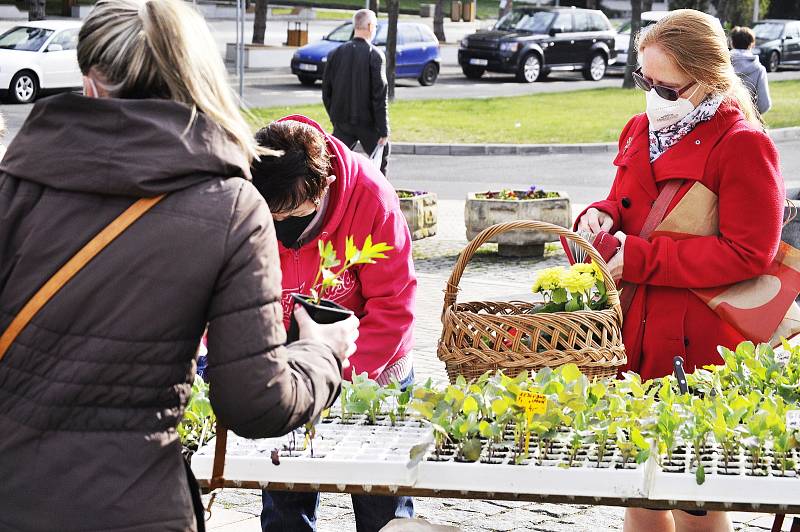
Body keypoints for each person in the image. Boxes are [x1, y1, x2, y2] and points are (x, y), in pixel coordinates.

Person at [0, 0, 358, 530]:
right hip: (137, 506)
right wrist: (322, 352)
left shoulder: (13, 185)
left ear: (92, 84)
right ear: (194, 77)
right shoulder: (233, 208)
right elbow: (255, 403)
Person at [575, 10, 784, 532]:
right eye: (644, 80)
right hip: (633, 333)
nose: (652, 97)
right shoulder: (640, 127)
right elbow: (633, 204)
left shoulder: (741, 142)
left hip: (698, 344)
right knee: (639, 490)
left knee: (697, 496)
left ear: (707, 79)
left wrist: (641, 259)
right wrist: (599, 214)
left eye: (665, 87)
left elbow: (750, 253)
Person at [250, 116, 417, 532]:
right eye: (266, 215)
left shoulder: (372, 200)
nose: (276, 226)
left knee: (383, 506)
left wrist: (333, 377)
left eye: (287, 215)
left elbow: (393, 310)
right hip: (292, 372)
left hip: (371, 370)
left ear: (322, 188)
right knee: (285, 503)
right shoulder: (251, 193)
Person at [322, 8, 390, 176]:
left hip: (342, 123)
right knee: (381, 161)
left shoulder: (335, 53)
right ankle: (379, 200)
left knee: (335, 165)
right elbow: (379, 96)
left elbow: (326, 91)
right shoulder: (375, 55)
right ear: (369, 26)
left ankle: (337, 199)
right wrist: (384, 130)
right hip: (368, 124)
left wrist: (335, 118)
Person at [730, 25, 772, 114]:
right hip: (747, 119)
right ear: (751, 44)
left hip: (723, 118)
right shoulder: (759, 69)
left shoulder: (722, 64)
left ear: (732, 43)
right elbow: (764, 104)